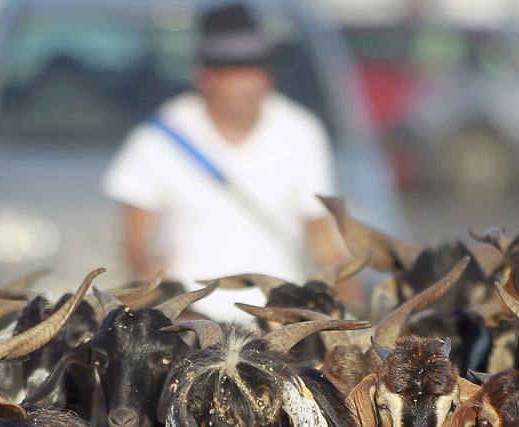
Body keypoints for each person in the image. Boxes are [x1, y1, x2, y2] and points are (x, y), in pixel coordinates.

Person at [101, 2, 346, 322]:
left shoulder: (301, 132)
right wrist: (150, 277)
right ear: (205, 76)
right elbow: (135, 244)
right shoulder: (159, 138)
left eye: (257, 68)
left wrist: (347, 303)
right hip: (189, 321)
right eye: (235, 70)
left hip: (277, 319)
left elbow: (322, 238)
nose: (250, 83)